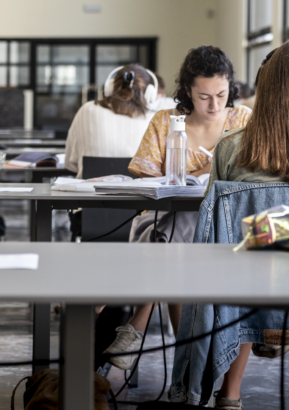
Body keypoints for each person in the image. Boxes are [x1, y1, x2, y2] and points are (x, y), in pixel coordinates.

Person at [200, 39, 289, 409]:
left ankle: (229, 395)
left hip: (248, 282)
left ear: (266, 86)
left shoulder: (231, 147)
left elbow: (215, 226)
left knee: (245, 252)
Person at [103, 46, 252, 370]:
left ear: (231, 88)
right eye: (204, 96)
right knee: (180, 226)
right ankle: (187, 368)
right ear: (187, 90)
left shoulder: (243, 120)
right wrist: (194, 177)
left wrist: (197, 175)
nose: (214, 105)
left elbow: (250, 174)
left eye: (221, 94)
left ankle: (139, 319)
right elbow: (144, 178)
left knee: (176, 234)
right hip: (166, 220)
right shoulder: (166, 121)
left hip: (222, 225)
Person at [64, 64, 156, 178]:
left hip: (89, 193)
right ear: (150, 93)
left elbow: (70, 164)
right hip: (141, 194)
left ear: (110, 87)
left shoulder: (87, 109)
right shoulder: (156, 118)